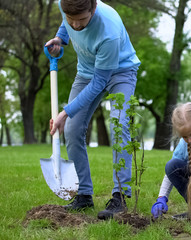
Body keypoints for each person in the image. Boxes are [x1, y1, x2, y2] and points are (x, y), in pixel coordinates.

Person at [45, 0, 140, 219]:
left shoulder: (109, 31)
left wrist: (64, 112)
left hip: (120, 72)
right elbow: (66, 25)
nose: (76, 26)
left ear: (93, 8)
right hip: (86, 71)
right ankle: (84, 195)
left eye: (82, 20)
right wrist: (61, 38)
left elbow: (99, 83)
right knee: (72, 129)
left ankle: (120, 196)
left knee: (119, 126)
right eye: (72, 19)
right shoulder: (65, 5)